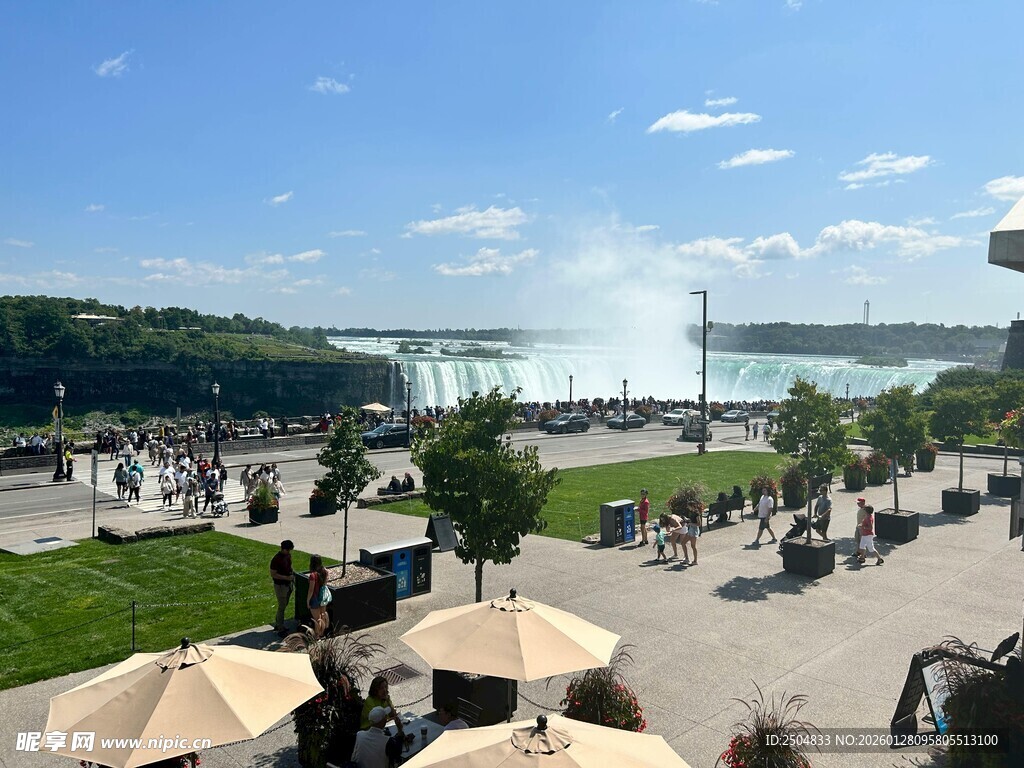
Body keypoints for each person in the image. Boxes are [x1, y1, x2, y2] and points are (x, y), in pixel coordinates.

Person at [270, 540, 295, 636]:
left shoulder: (287, 556)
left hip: (288, 584)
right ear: (283, 549)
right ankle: (280, 627)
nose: (289, 552)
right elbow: (273, 574)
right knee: (282, 606)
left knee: (284, 605)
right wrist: (286, 578)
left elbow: (289, 567)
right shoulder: (276, 559)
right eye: (288, 550)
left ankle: (278, 623)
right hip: (280, 586)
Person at [306, 554, 331, 639]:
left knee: (317, 619)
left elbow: (311, 590)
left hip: (315, 598)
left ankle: (317, 636)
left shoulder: (313, 575)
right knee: (322, 615)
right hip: (323, 597)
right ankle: (322, 634)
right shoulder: (325, 571)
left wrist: (308, 601)